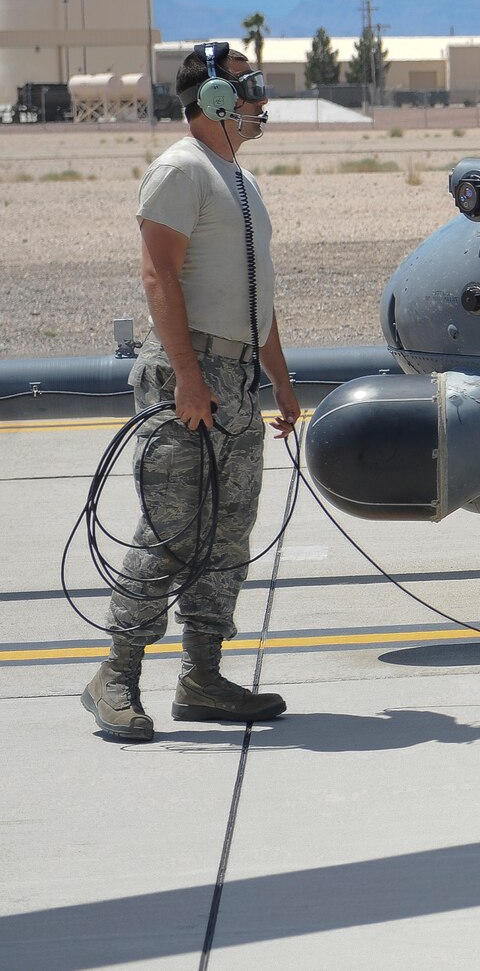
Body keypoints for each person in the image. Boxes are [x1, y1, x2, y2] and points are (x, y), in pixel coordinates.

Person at [82, 43, 299, 742]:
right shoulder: (181, 170)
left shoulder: (237, 179)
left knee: (228, 534)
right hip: (191, 376)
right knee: (172, 534)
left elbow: (253, 292)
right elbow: (158, 278)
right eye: (249, 86)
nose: (260, 98)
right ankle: (115, 674)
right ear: (211, 98)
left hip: (233, 377)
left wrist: (280, 381)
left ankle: (202, 675)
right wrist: (189, 377)